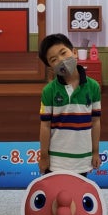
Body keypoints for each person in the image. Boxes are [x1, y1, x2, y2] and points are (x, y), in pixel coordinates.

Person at [37, 33, 101, 175]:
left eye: (63, 53)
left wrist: (95, 152)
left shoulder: (93, 87)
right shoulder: (49, 90)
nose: (61, 60)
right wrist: (44, 157)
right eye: (54, 59)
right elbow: (45, 125)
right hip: (55, 161)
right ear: (50, 67)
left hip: (82, 160)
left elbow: (96, 122)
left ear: (74, 52)